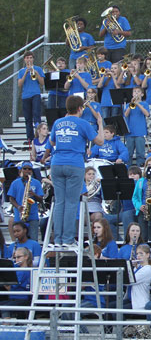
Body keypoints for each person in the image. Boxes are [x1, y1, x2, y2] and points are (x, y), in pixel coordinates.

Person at [50, 95, 103, 247]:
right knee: (72, 202)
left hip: (57, 163)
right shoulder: (83, 123)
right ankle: (67, 239)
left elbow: (52, 142)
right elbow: (100, 141)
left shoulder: (57, 122)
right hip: (74, 163)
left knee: (60, 202)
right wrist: (100, 123)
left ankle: (58, 239)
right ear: (80, 108)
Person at [18, 51, 45, 143]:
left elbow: (42, 83)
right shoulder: (21, 71)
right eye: (27, 58)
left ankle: (39, 136)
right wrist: (26, 72)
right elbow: (20, 84)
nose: (29, 59)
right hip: (25, 96)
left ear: (33, 59)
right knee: (28, 118)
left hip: (35, 94)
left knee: (36, 116)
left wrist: (36, 73)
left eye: (30, 58)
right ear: (24, 59)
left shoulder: (38, 69)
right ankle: (30, 138)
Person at [0, 247, 32, 319]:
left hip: (22, 299)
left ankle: (7, 327)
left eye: (19, 257)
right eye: (15, 257)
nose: (16, 260)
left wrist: (5, 280)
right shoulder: (15, 270)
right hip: (12, 298)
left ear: (26, 257)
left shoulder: (27, 270)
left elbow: (13, 285)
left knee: (4, 308)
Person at [124, 86, 149, 166]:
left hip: (140, 132)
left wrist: (138, 105)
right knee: (128, 153)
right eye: (134, 92)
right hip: (130, 132)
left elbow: (147, 114)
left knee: (140, 153)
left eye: (138, 92)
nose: (136, 93)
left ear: (142, 94)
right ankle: (128, 170)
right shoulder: (128, 104)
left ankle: (140, 169)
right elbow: (125, 115)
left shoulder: (144, 104)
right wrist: (131, 104)